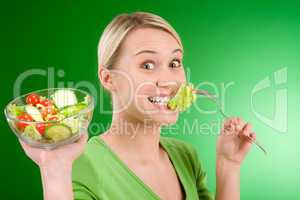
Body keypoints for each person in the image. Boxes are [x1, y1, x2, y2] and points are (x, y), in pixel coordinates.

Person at [19, 12, 256, 200]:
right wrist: (55, 171)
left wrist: (229, 165)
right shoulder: (81, 163)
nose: (169, 81)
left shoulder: (186, 155)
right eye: (147, 65)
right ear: (108, 78)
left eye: (174, 62)